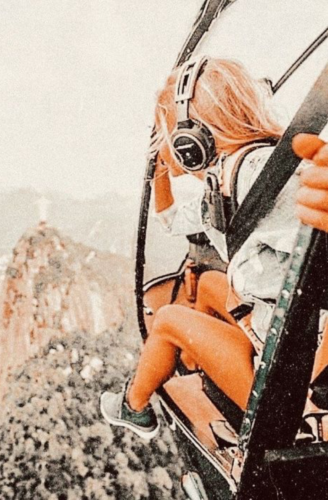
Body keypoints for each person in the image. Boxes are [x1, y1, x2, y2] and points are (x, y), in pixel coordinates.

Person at [100, 57, 325, 440]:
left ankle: (133, 408)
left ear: (192, 140)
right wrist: (158, 166)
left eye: (170, 133)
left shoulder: (256, 174)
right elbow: (171, 219)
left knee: (168, 320)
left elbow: (316, 240)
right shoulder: (227, 177)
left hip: (291, 375)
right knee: (207, 285)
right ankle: (197, 361)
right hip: (285, 333)